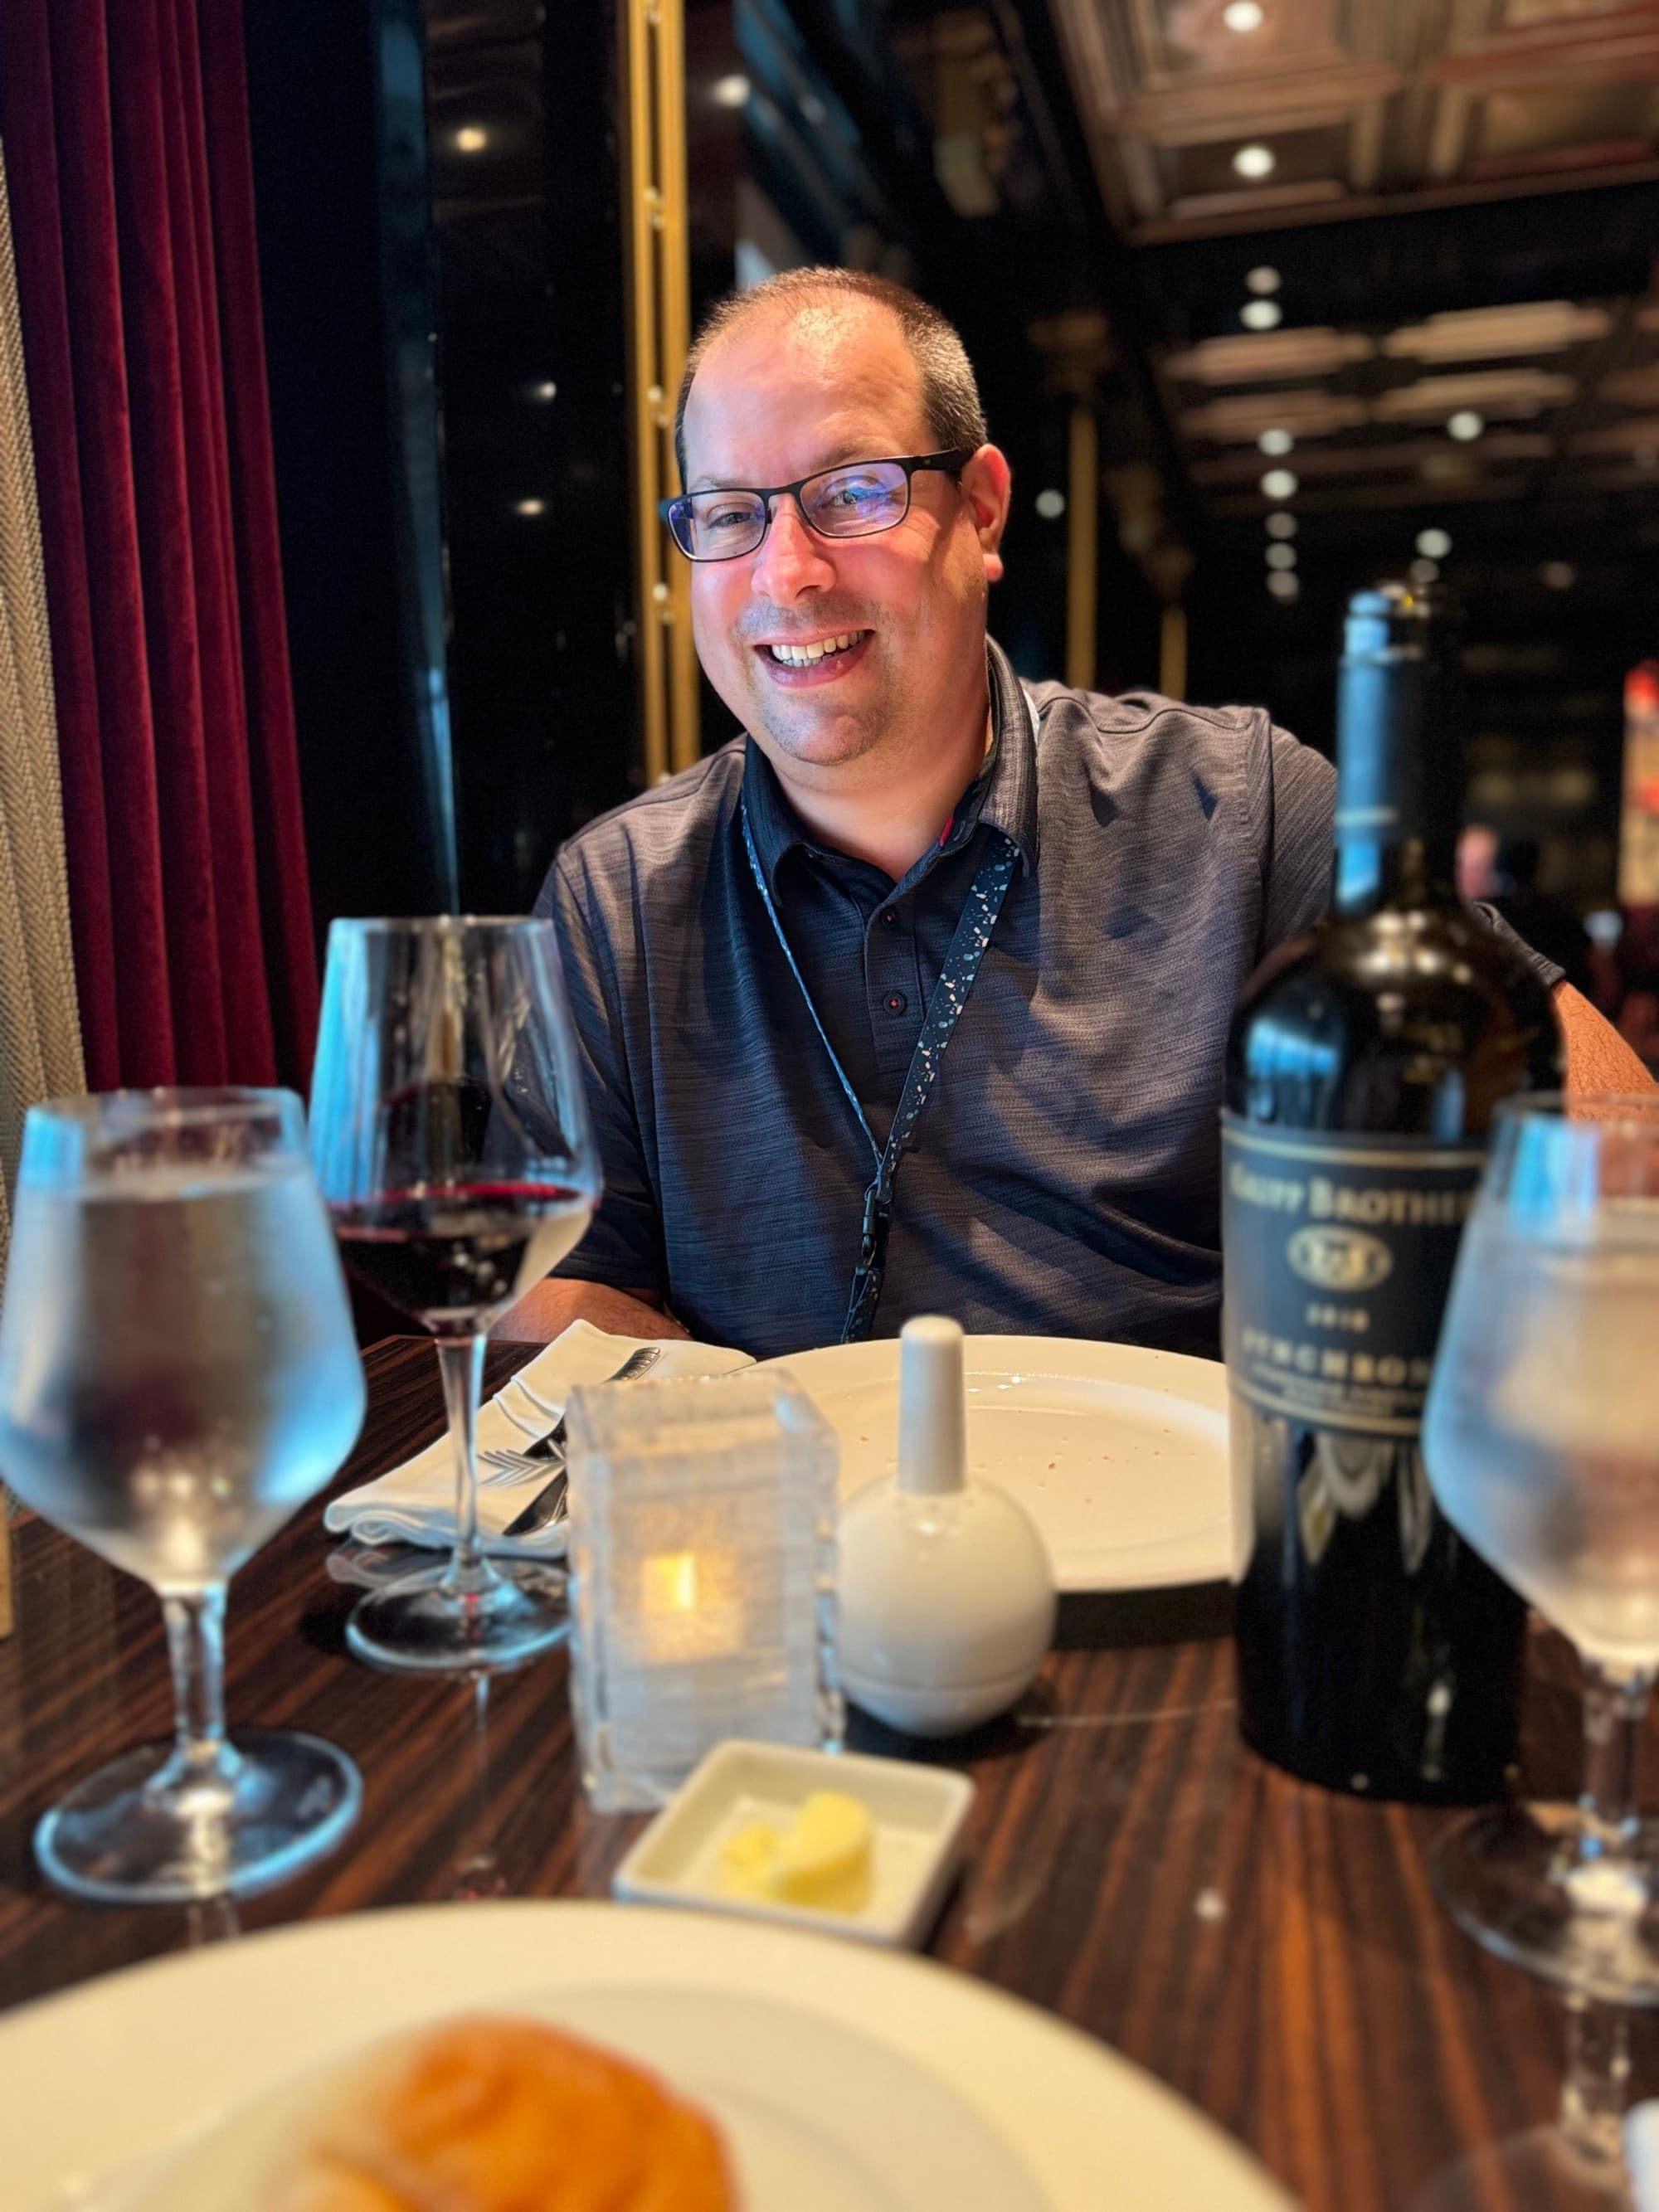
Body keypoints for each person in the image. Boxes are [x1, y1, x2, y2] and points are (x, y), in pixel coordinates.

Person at [505, 270, 1652, 1358]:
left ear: (984, 512)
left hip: (1192, 1526)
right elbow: (564, 1285)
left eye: (853, 492)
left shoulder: (1240, 811)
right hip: (799, 1538)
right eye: (728, 514)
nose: (787, 572)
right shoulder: (616, 896)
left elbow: (1603, 1131)